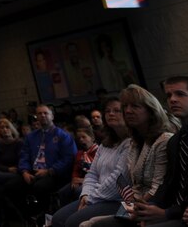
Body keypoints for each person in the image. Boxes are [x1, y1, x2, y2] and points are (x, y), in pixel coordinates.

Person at [84, 84, 178, 227]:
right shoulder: (135, 141)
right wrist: (126, 209)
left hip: (156, 206)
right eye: (125, 107)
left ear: (150, 110)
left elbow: (157, 188)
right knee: (89, 223)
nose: (128, 111)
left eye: (135, 106)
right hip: (136, 205)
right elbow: (135, 186)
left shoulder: (164, 139)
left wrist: (132, 210)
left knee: (94, 224)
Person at [127, 76, 188, 227]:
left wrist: (167, 213)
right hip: (176, 209)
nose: (172, 100)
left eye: (180, 94)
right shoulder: (176, 140)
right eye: (169, 95)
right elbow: (169, 182)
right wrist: (151, 206)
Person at [52, 97, 132, 227]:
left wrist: (91, 198)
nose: (111, 114)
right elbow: (92, 173)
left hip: (118, 200)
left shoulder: (130, 142)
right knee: (57, 218)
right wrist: (85, 194)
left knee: (71, 222)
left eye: (117, 110)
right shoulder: (105, 144)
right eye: (107, 111)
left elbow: (118, 180)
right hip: (96, 196)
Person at [2, 104, 78, 220]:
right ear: (36, 117)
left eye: (45, 113)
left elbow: (68, 158)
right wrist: (24, 171)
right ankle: (28, 215)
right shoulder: (31, 136)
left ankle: (43, 215)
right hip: (32, 172)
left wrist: (49, 171)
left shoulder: (63, 136)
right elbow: (24, 156)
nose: (42, 115)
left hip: (55, 173)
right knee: (9, 187)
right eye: (39, 114)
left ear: (52, 116)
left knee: (40, 187)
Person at [59, 127, 99, 205]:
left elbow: (98, 173)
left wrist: (82, 180)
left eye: (84, 137)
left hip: (93, 181)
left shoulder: (98, 152)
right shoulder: (80, 153)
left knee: (78, 192)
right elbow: (76, 169)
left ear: (92, 138)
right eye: (79, 138)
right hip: (80, 179)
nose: (81, 140)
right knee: (63, 192)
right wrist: (74, 178)